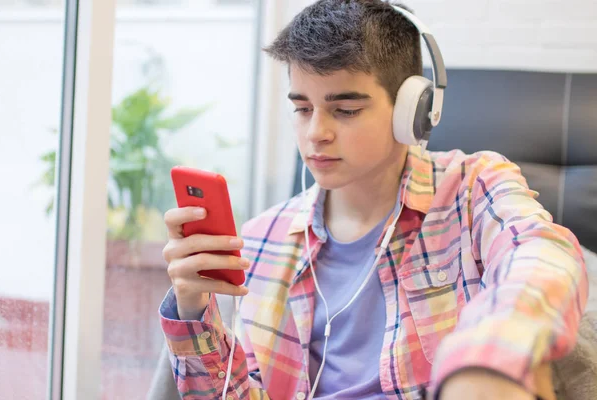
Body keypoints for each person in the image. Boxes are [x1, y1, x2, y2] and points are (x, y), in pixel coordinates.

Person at [159, 1, 588, 399]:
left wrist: (488, 358)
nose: (316, 134)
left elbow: (543, 256)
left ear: (412, 111)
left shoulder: (472, 188)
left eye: (345, 110)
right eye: (303, 108)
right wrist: (194, 310)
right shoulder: (261, 241)